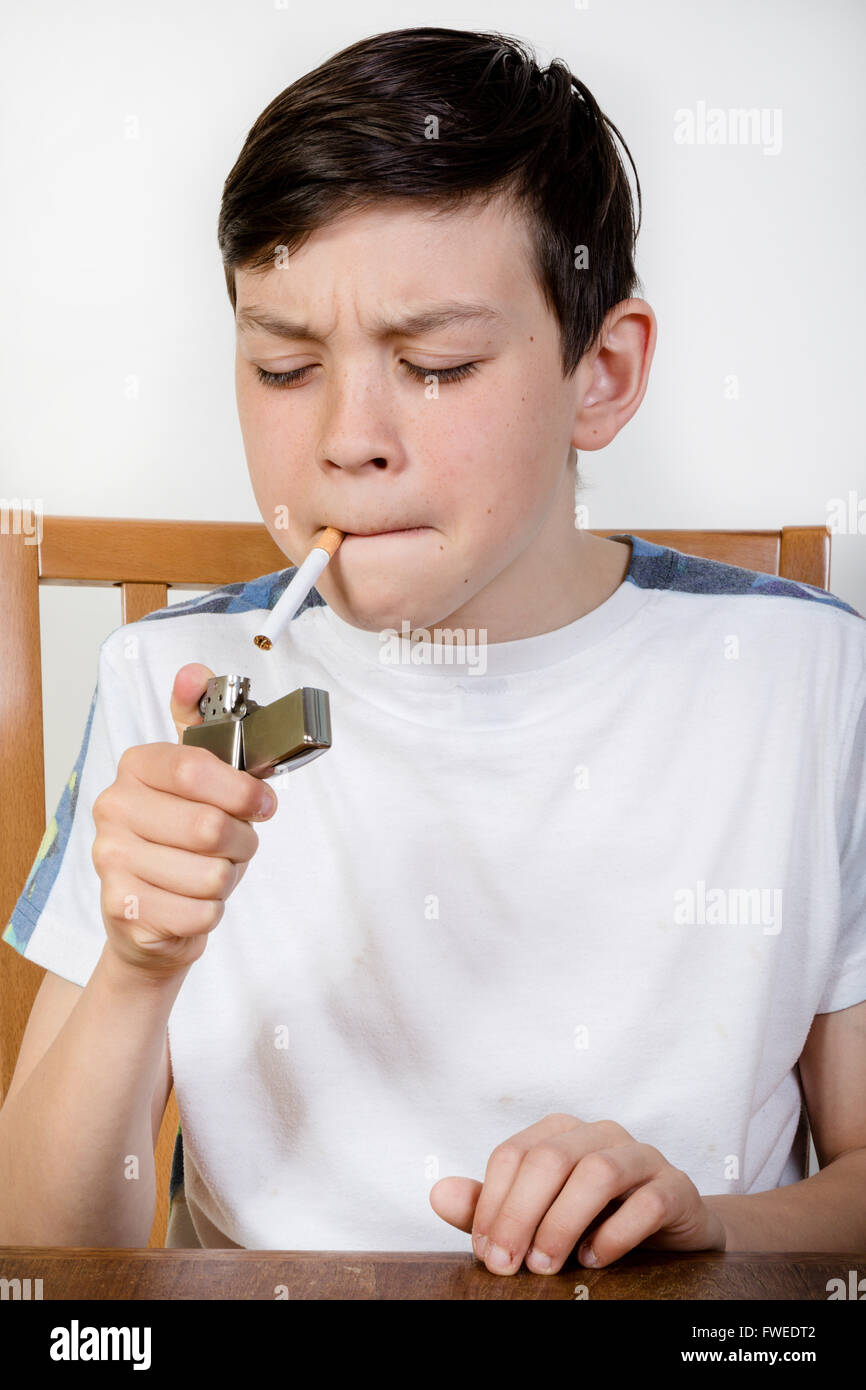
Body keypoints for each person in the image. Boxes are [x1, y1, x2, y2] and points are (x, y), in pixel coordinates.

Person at [2, 26, 864, 1273]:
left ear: (601, 374)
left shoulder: (803, 681)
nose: (349, 439)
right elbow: (45, 1256)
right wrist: (138, 964)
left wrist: (707, 1226)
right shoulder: (169, 682)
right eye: (283, 365)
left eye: (435, 365)